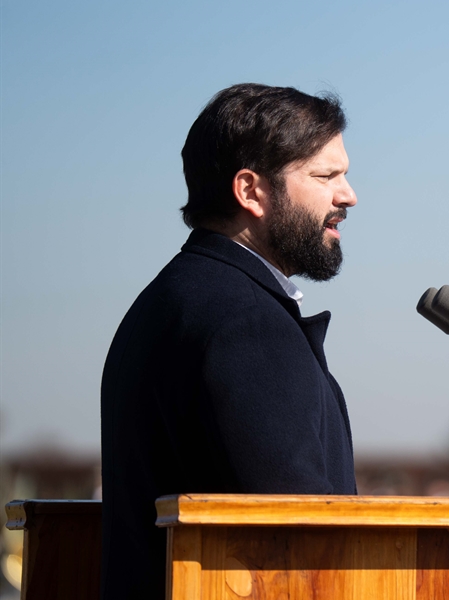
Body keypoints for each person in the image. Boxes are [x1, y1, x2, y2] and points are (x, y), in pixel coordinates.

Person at [100, 83, 359, 597]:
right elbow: (298, 543)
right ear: (250, 191)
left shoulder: (177, 295)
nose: (348, 194)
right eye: (326, 175)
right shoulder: (246, 321)